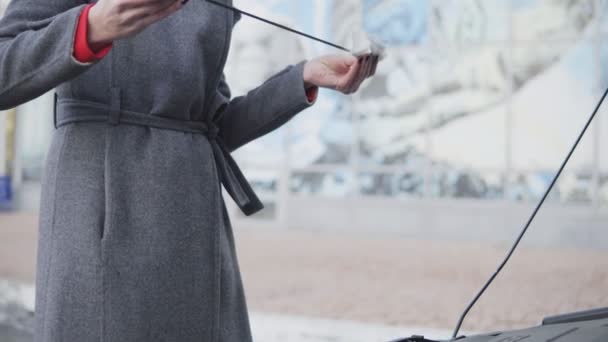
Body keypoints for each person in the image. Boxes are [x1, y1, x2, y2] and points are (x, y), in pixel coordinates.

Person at [0, 0, 378, 341]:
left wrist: (301, 80)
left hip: (196, 224)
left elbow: (209, 126)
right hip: (103, 206)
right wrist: (89, 28)